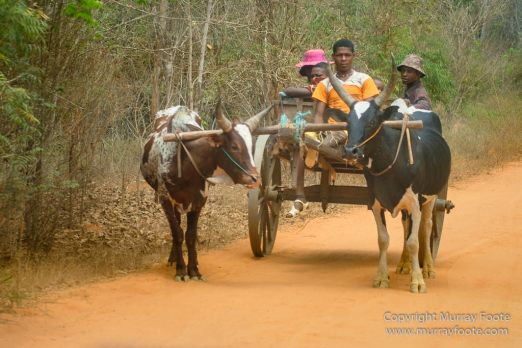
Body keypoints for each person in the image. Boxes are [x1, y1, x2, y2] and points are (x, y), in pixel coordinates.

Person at [286, 39, 380, 218]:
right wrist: (315, 131)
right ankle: (300, 196)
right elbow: (319, 114)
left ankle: (318, 150)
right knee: (301, 141)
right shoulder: (325, 84)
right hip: (329, 128)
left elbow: (368, 112)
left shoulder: (364, 80)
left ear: (354, 56)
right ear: (333, 58)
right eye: (339, 55)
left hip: (357, 131)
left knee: (335, 135)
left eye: (347, 55)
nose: (343, 58)